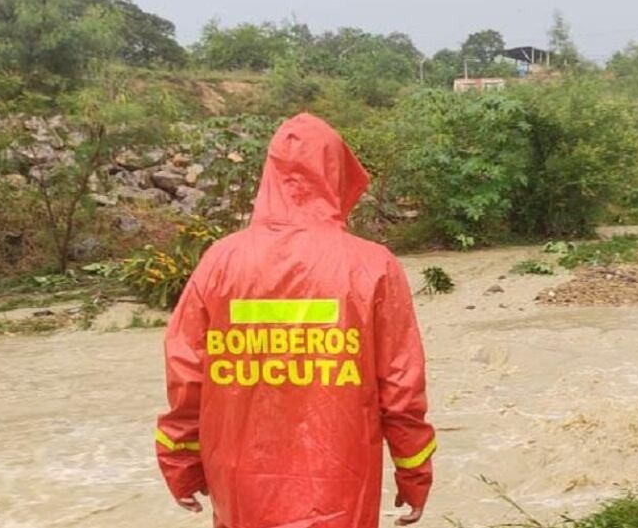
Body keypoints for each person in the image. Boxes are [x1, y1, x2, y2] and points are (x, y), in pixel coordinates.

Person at [155, 112, 436, 528]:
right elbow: (400, 387)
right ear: (337, 174)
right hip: (340, 486)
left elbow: (186, 377)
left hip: (242, 488)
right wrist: (414, 475)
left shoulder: (220, 261)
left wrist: (180, 464)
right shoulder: (373, 266)